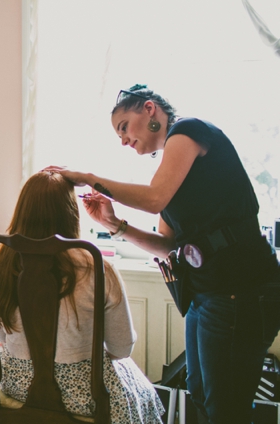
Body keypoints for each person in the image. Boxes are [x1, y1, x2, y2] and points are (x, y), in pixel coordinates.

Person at [45, 84, 280, 424]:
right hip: (205, 294)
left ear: (150, 109)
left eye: (124, 126)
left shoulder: (189, 130)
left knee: (227, 408)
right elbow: (169, 246)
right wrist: (115, 225)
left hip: (241, 291)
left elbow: (154, 198)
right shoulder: (172, 178)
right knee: (200, 394)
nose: (123, 140)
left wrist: (89, 178)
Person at [0, 171, 164, 423]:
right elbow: (121, 348)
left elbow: (1, 336)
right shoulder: (95, 267)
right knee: (138, 389)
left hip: (18, 386)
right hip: (84, 395)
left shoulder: (3, 263)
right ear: (70, 213)